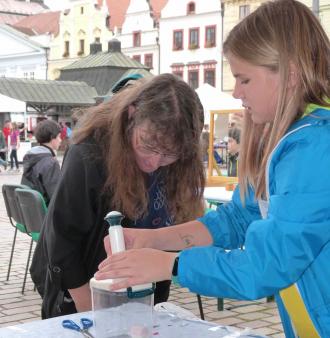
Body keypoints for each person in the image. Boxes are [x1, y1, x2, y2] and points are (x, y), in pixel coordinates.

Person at [95, 1, 330, 337]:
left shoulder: (316, 148)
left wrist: (169, 264)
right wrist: (154, 240)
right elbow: (237, 219)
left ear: (290, 74)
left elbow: (264, 268)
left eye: (244, 79)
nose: (236, 92)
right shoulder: (289, 140)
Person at [30, 73, 205, 319]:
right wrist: (90, 310)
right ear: (132, 115)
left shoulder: (181, 163)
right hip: (83, 291)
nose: (155, 163)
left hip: (145, 293)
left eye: (168, 155)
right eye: (147, 145)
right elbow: (62, 239)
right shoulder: (89, 154)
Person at [21, 120, 62, 205]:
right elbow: (57, 197)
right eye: (58, 137)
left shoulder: (30, 157)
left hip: (32, 210)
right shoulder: (50, 162)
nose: (60, 140)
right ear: (51, 137)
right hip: (46, 213)